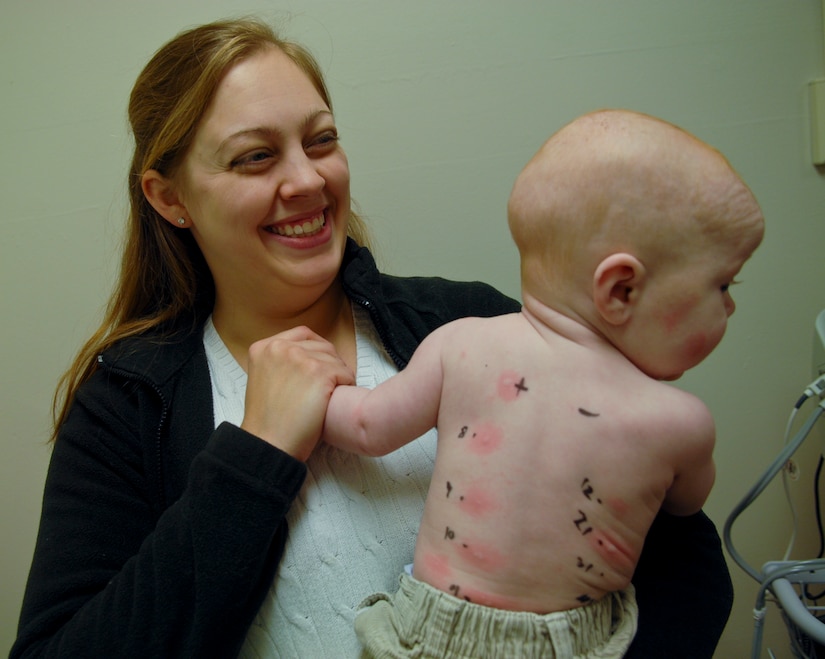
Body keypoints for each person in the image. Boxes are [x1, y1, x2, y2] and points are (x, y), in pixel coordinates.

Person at [11, 17, 732, 658]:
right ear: (169, 198)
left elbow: (684, 564)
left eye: (320, 140)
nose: (307, 180)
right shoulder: (127, 404)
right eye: (255, 157)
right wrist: (253, 456)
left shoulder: (474, 330)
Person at [322, 109, 765, 657]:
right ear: (621, 289)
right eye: (721, 284)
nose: (730, 305)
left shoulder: (460, 345)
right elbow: (685, 506)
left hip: (430, 631)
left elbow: (365, 427)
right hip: (571, 644)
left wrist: (313, 385)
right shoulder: (680, 425)